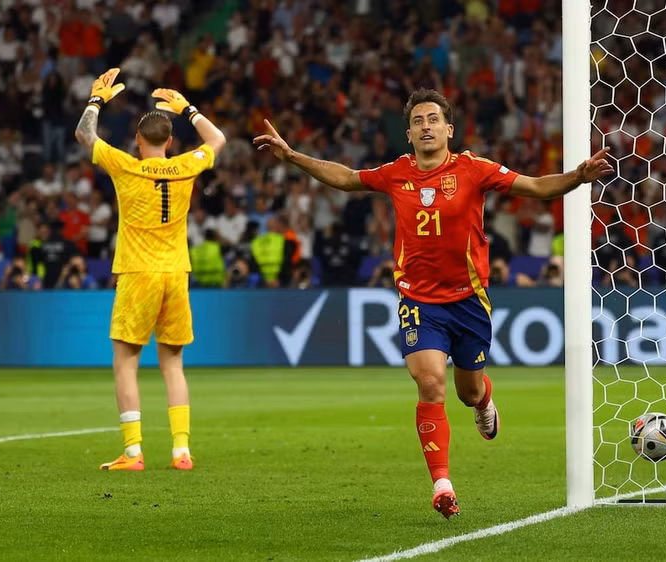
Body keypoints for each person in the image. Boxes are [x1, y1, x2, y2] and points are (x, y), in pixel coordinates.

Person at [253, 88, 613, 518]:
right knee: (429, 384)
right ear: (409, 134)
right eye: (418, 121)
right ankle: (442, 484)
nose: (426, 126)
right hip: (419, 300)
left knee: (468, 390)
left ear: (449, 129)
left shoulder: (473, 169)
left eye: (433, 119)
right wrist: (293, 157)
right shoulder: (396, 172)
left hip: (469, 300)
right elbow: (347, 177)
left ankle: (483, 402)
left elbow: (534, 186)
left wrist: (578, 175)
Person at [74, 68, 225, 471]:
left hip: (138, 272)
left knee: (125, 361)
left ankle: (133, 451)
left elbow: (85, 136)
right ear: (170, 142)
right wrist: (187, 108)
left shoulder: (126, 165)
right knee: (172, 363)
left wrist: (96, 100)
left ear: (138, 140)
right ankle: (181, 451)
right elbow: (218, 139)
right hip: (176, 273)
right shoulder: (186, 166)